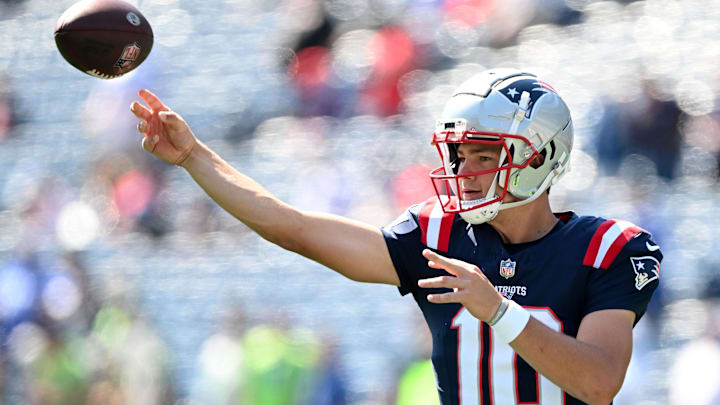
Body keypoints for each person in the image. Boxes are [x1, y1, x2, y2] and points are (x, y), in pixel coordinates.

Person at [130, 68, 661, 405]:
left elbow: (598, 383)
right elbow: (292, 228)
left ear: (540, 155)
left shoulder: (609, 249)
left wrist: (498, 310)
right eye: (460, 155)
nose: (466, 170)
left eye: (484, 155)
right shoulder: (438, 235)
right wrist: (194, 158)